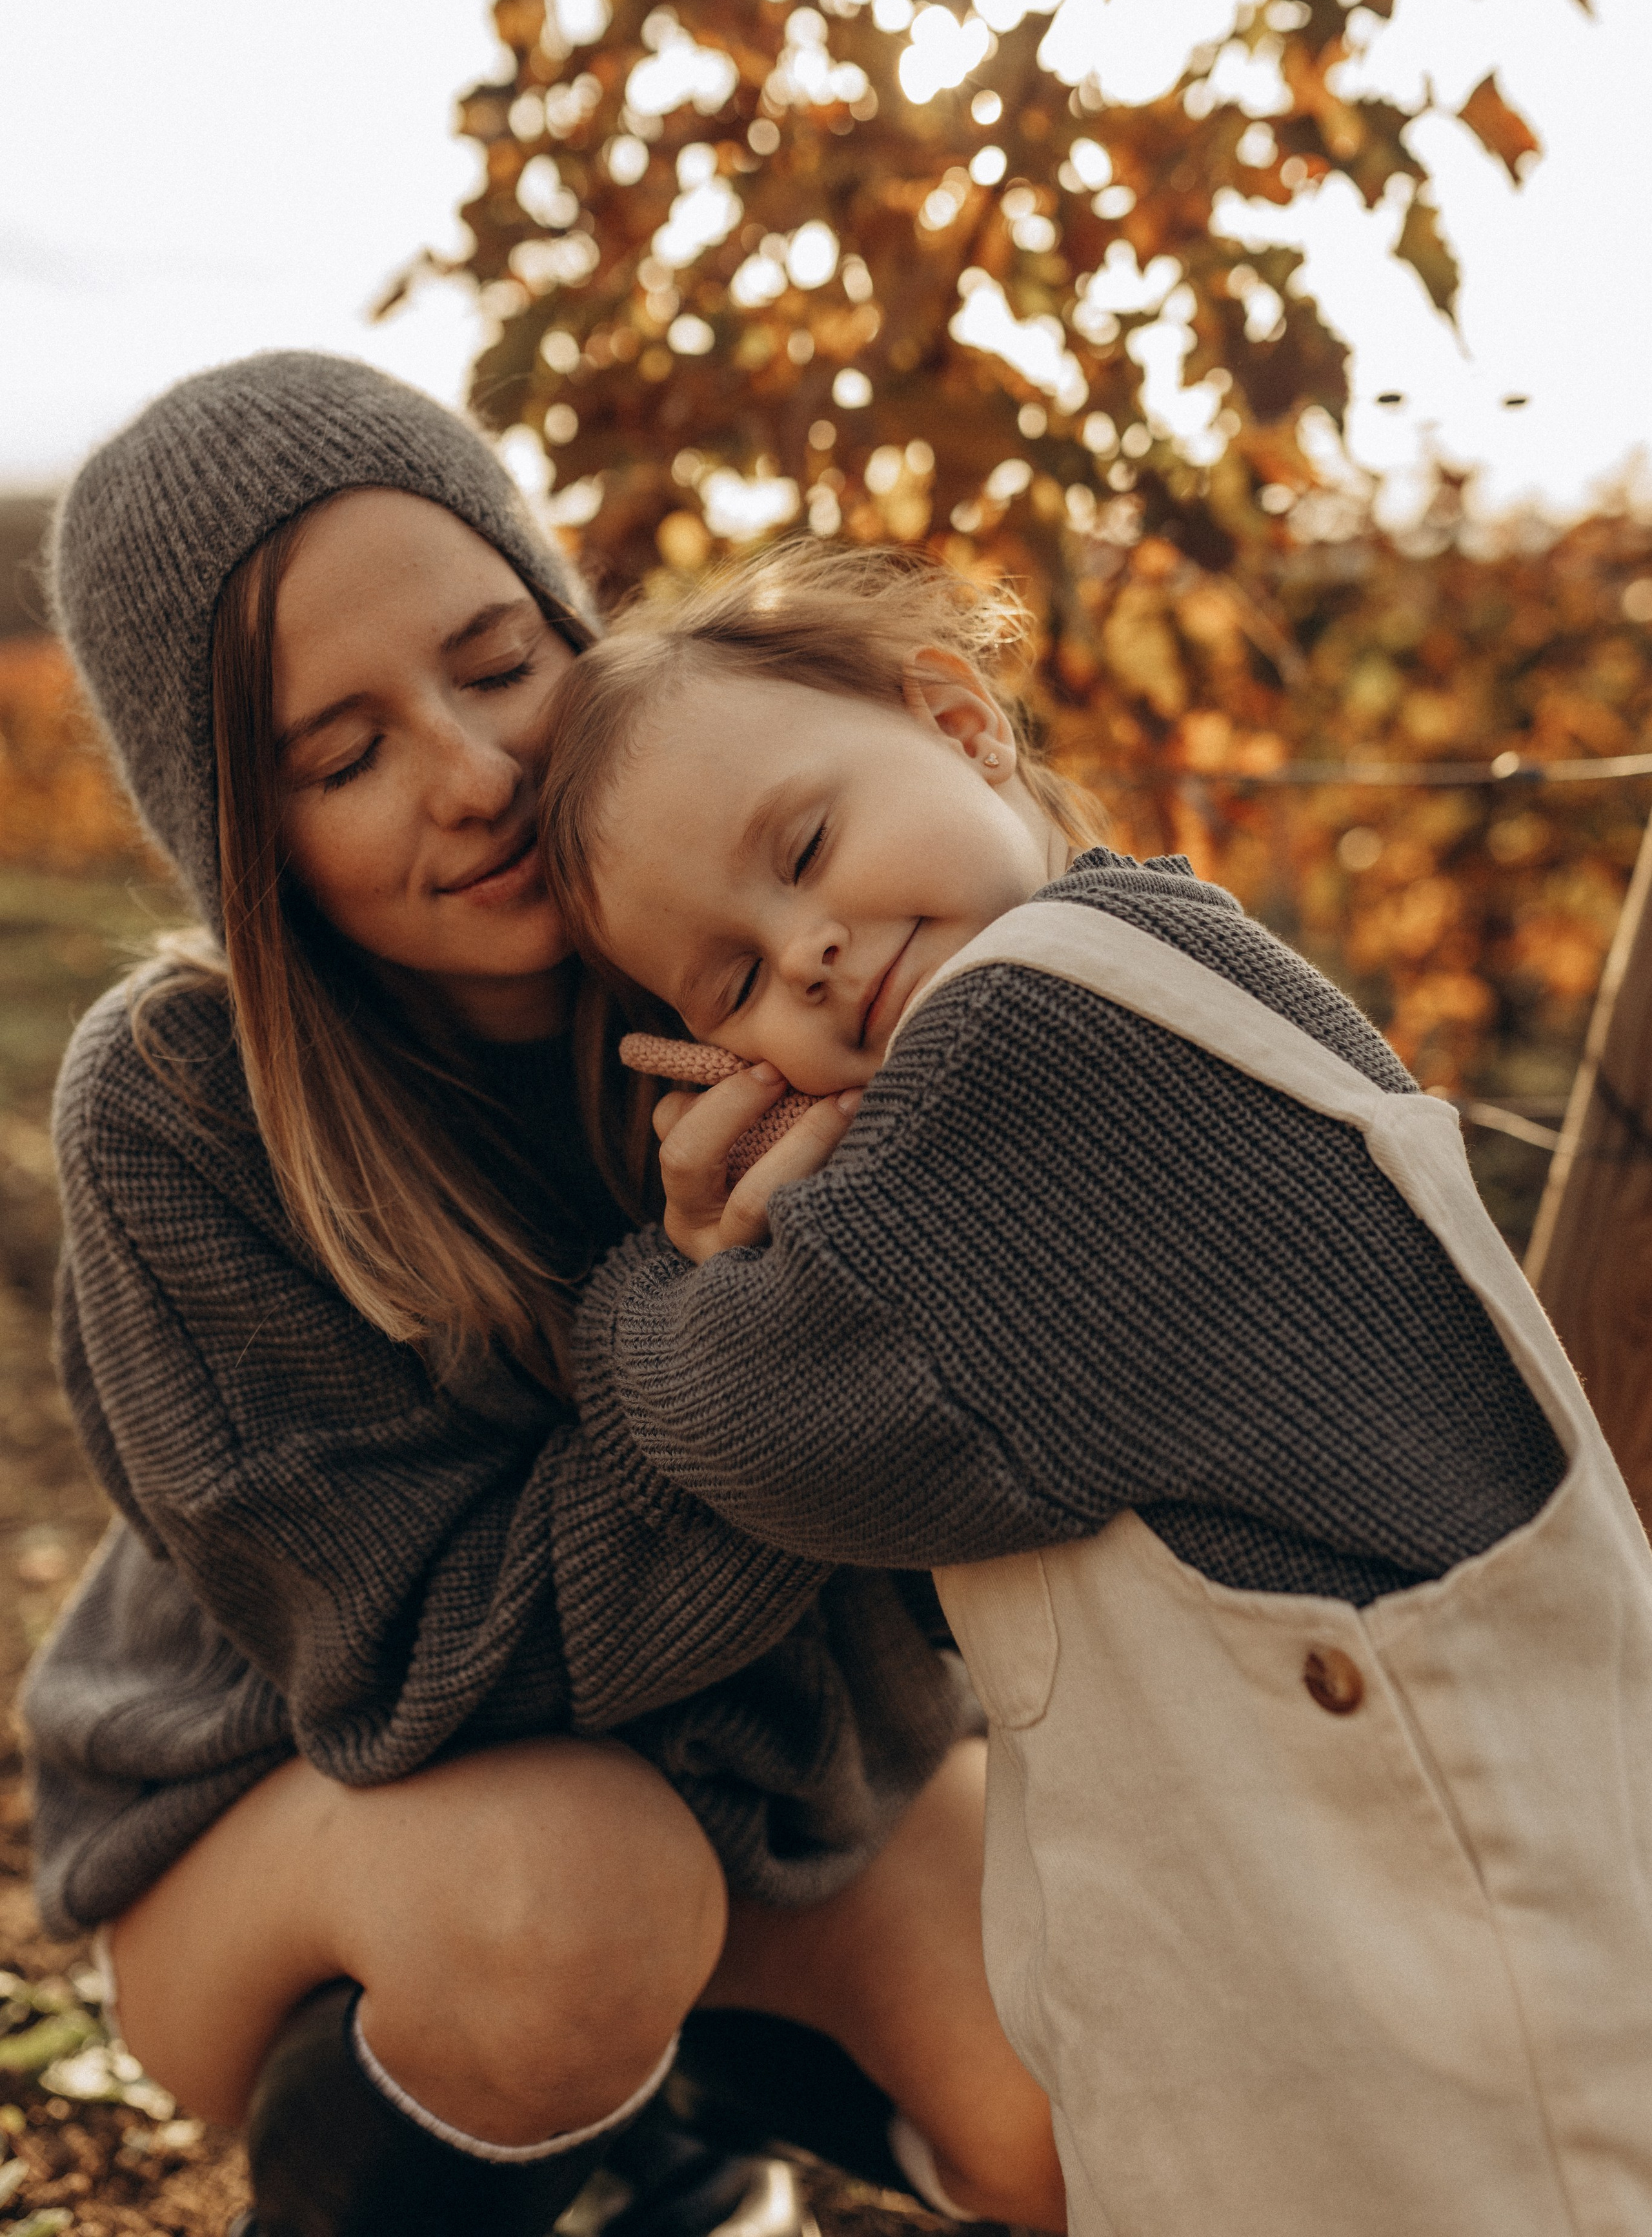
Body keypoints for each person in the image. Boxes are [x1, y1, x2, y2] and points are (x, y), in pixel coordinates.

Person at [24, 358, 1065, 2237]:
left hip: (784, 1792)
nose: (477, 772)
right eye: (339, 760)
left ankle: (665, 2136)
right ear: (239, 838)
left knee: (1102, 2089)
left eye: (500, 665)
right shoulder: (182, 1102)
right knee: (575, 1908)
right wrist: (726, 1318)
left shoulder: (771, 939)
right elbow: (429, 1675)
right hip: (311, 1830)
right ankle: (580, 2114)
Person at [539, 544, 1652, 2237]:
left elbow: (762, 1413)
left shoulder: (1040, 1037)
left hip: (1444, 1990)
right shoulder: (1159, 960)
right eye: (735, 984)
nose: (816, 955)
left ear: (962, 722)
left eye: (807, 849)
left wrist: (655, 1289)